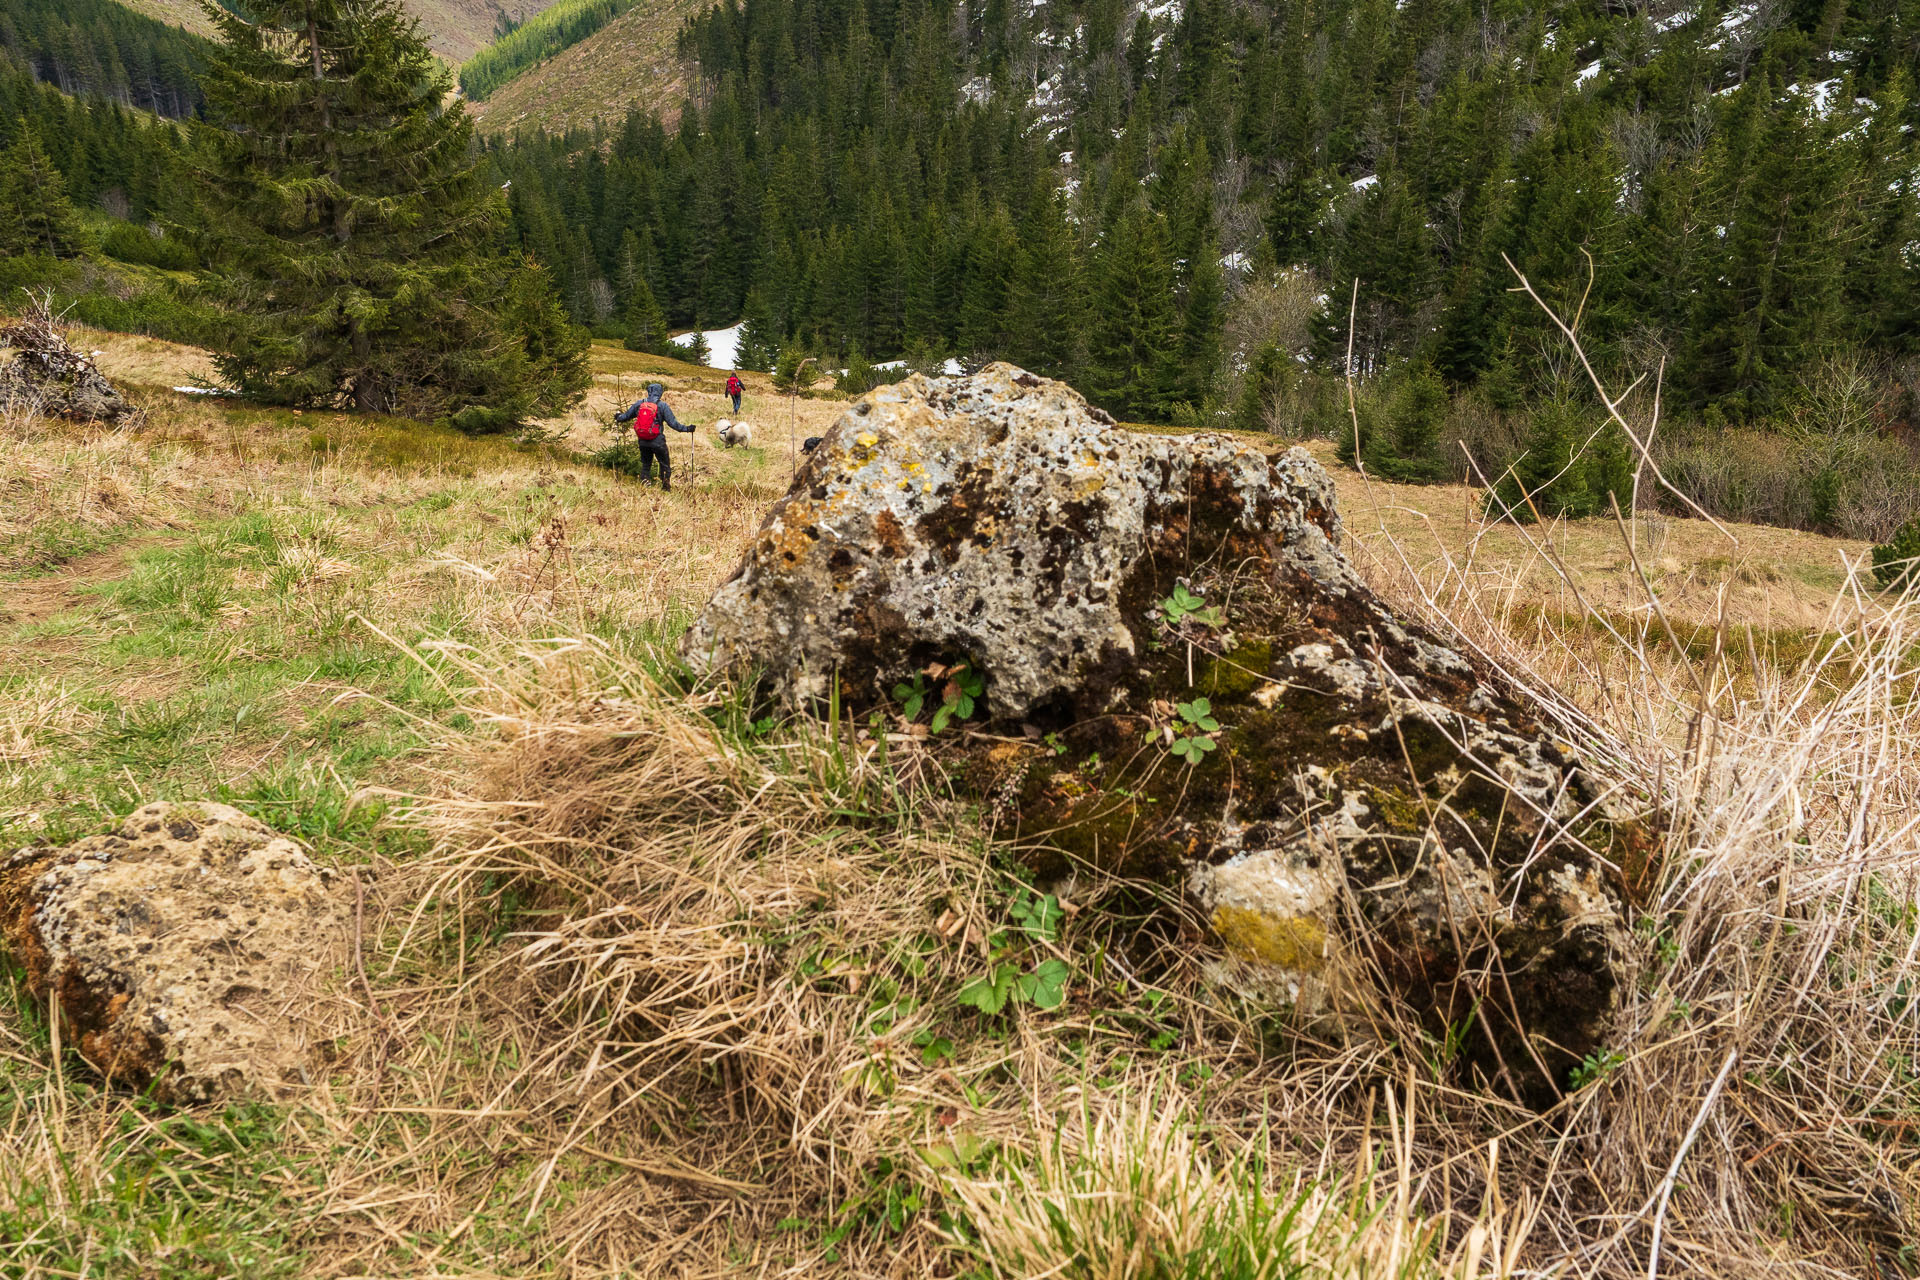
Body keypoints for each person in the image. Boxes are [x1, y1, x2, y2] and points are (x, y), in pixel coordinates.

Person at [615, 382, 695, 491]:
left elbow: (625, 417)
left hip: (643, 441)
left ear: (648, 391)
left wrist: (618, 416)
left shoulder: (640, 403)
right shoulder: (662, 406)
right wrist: (687, 429)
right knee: (665, 465)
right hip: (658, 441)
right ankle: (665, 488)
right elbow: (673, 424)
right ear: (660, 392)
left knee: (646, 464)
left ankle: (645, 485)